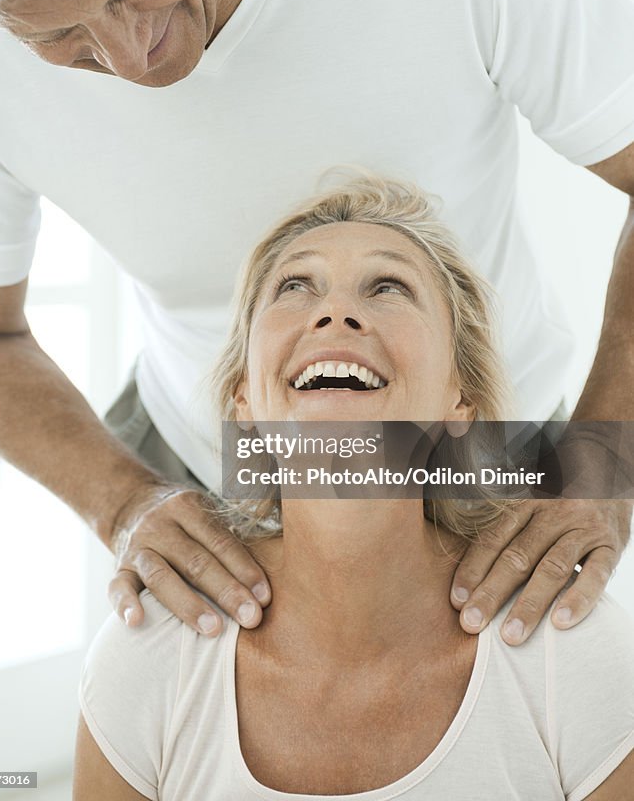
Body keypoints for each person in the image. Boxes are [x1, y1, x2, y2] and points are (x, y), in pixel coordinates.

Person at [0, 0, 632, 645]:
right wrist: (120, 500)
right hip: (206, 486)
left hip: (482, 468)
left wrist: (608, 464)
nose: (131, 62)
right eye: (58, 38)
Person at [74, 175, 634, 800]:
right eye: (294, 286)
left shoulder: (571, 650)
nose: (334, 312)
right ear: (243, 403)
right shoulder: (149, 653)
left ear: (461, 399)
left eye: (389, 287)